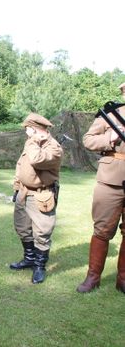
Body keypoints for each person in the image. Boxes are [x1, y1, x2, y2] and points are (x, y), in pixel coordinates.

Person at [77, 83, 125, 294]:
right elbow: (88, 140)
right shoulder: (111, 115)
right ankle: (93, 277)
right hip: (111, 179)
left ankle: (123, 279)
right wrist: (110, 138)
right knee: (102, 229)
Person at [9, 113, 62, 284]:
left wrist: (33, 141)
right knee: (23, 228)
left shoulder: (54, 147)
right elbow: (21, 166)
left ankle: (39, 266)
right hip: (24, 192)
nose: (26, 132)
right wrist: (17, 187)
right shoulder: (31, 143)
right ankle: (29, 259)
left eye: (27, 129)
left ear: (34, 128)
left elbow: (37, 160)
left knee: (42, 232)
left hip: (41, 194)